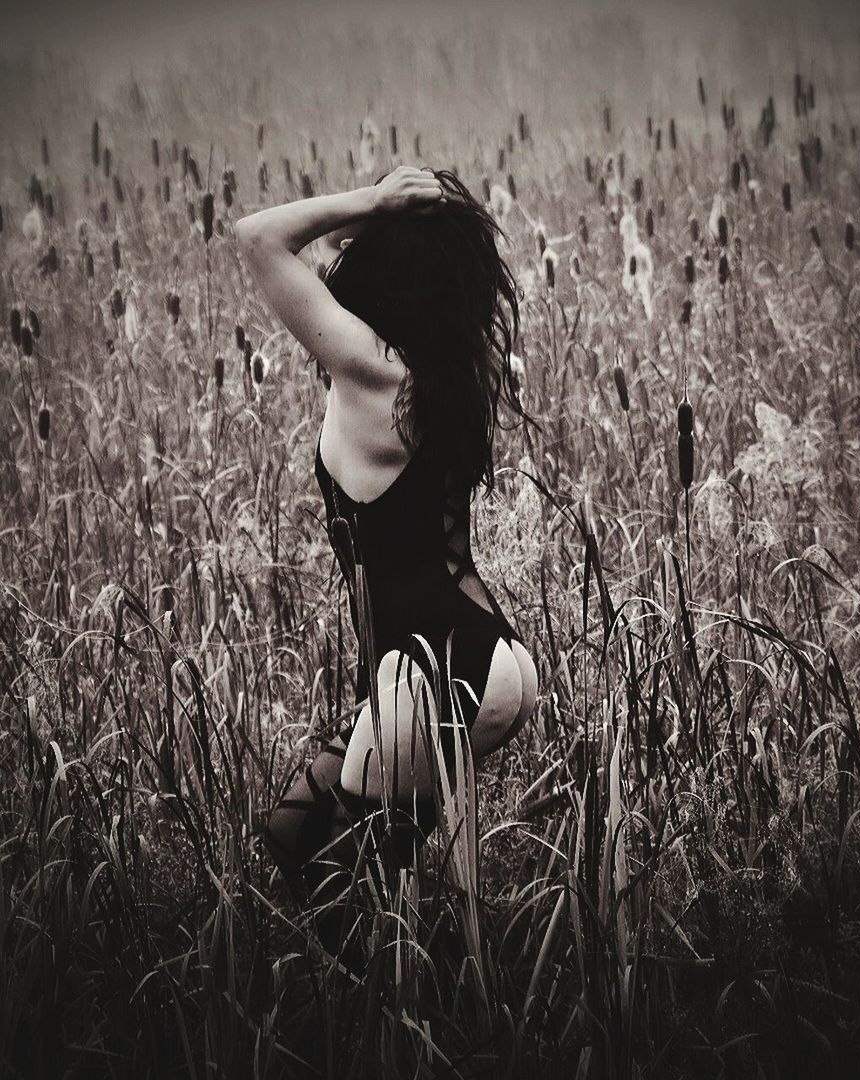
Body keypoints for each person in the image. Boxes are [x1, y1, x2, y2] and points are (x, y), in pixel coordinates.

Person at [236, 165, 539, 957]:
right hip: (486, 655)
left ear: (383, 272)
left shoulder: (374, 371)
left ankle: (413, 1017)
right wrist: (396, 216)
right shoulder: (452, 370)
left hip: (430, 674)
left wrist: (374, 201)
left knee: (362, 910)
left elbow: (259, 236)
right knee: (293, 828)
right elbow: (330, 253)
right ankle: (424, 987)